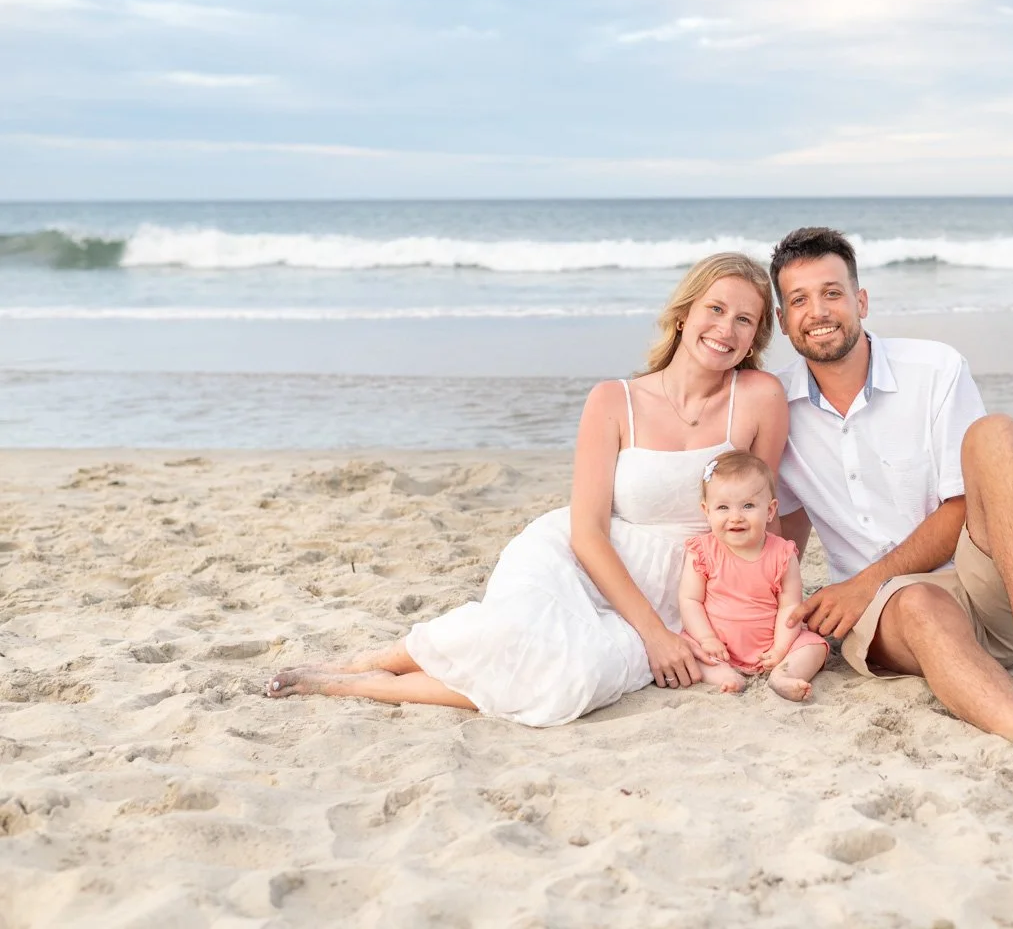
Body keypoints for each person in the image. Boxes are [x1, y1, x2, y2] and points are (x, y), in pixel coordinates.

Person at [265, 252, 789, 726]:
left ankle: (375, 687)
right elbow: (587, 531)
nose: (726, 328)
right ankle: (370, 665)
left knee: (576, 679)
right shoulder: (613, 400)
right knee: (512, 631)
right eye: (715, 309)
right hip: (582, 557)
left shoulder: (761, 397)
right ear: (684, 312)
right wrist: (653, 634)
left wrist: (769, 607)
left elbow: (767, 520)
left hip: (682, 586)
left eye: (745, 319)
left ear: (756, 337)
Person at [768, 227, 1013, 784]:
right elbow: (781, 533)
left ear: (860, 301)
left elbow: (961, 506)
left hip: (981, 577)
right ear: (784, 322)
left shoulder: (933, 369)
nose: (818, 311)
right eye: (799, 300)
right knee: (918, 604)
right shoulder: (776, 406)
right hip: (893, 616)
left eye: (832, 292)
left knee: (996, 434)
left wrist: (863, 582)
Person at [677, 449, 828, 701]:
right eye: (723, 507)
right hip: (718, 645)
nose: (735, 517)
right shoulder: (702, 551)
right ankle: (726, 677)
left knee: (815, 646)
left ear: (770, 511)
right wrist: (706, 638)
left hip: (770, 642)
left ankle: (783, 674)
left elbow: (789, 606)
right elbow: (690, 600)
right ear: (706, 511)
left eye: (748, 506)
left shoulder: (782, 553)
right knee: (690, 650)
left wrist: (780, 648)